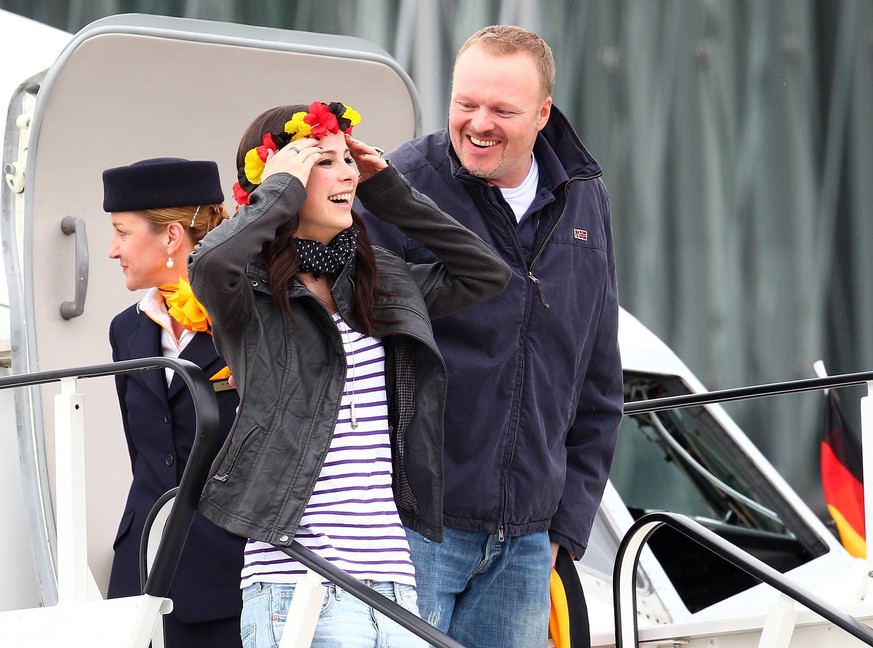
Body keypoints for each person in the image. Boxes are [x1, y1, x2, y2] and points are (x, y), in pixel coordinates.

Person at [187, 101, 510, 648]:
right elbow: (209, 264)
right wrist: (279, 189)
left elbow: (486, 273)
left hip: (393, 585)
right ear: (279, 179)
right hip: (295, 583)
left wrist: (390, 190)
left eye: (348, 161)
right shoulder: (248, 292)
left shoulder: (379, 279)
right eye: (322, 161)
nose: (346, 174)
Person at [360, 25, 624, 648]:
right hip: (416, 531)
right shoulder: (401, 183)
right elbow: (356, 353)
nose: (478, 123)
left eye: (502, 110)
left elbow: (598, 374)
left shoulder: (586, 200)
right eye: (464, 104)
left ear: (542, 114)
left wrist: (566, 523)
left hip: (530, 542)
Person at [103, 157, 245, 648]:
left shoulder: (248, 315)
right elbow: (143, 451)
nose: (111, 250)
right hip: (140, 569)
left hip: (230, 570)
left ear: (170, 237)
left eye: (122, 232)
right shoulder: (126, 329)